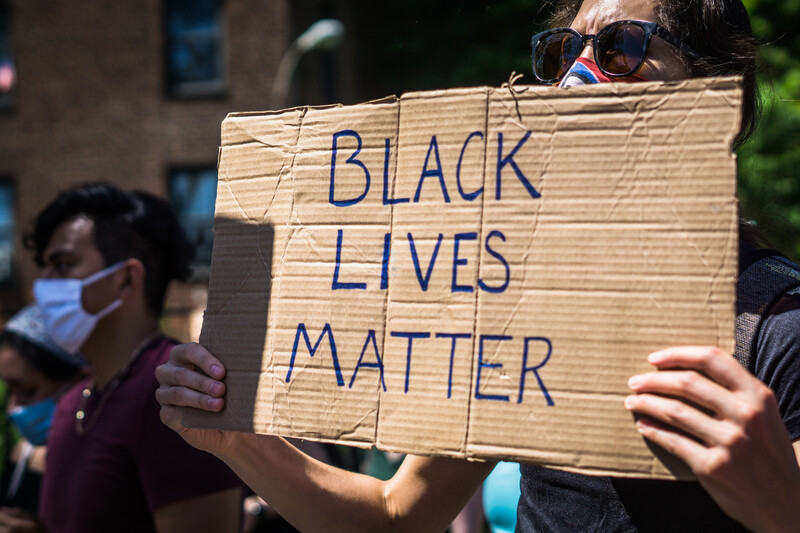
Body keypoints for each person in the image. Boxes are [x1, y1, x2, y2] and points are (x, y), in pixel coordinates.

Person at [156, 1, 800, 531]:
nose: (576, 77)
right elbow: (396, 516)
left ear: (724, 94)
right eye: (560, 53)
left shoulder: (779, 320)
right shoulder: (517, 302)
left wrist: (775, 493)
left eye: (620, 50)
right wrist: (236, 440)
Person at [27, 183, 243, 533]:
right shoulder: (72, 403)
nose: (42, 284)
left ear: (126, 279)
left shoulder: (177, 397)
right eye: (44, 267)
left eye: (63, 264)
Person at [0, 305, 86, 531]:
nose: (13, 407)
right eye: (9, 391)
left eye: (27, 391)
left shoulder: (102, 461)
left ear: (80, 380)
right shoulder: (23, 454)